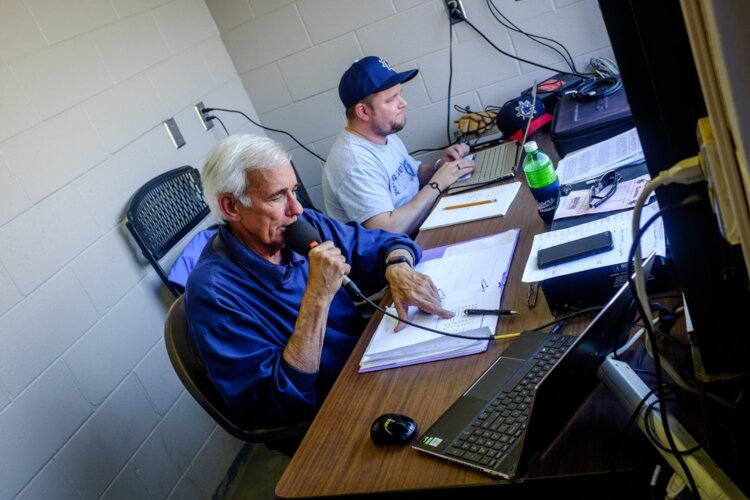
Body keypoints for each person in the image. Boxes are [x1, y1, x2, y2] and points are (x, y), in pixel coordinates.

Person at [185, 134, 453, 428]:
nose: (296, 208)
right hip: (328, 412)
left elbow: (386, 243)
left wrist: (398, 266)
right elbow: (277, 403)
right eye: (277, 197)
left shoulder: (301, 226)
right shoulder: (213, 292)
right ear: (231, 207)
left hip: (371, 359)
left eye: (294, 191)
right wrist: (318, 297)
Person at [322, 55, 475, 236]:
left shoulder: (384, 133)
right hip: (400, 253)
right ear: (363, 111)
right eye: (391, 99)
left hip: (424, 226)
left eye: (400, 94)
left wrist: (440, 166)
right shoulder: (353, 163)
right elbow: (388, 231)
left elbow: (411, 175)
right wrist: (437, 183)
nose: (403, 103)